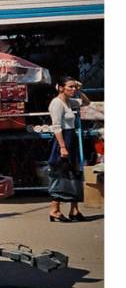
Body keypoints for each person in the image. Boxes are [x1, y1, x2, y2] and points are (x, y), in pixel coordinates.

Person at [47, 76, 87, 222]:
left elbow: (86, 102)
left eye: (74, 87)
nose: (73, 89)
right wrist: (62, 146)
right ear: (61, 87)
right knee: (60, 173)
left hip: (72, 138)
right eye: (70, 87)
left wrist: (80, 89)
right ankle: (54, 210)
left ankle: (74, 209)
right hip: (63, 139)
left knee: (74, 172)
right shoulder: (56, 103)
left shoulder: (70, 102)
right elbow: (56, 126)